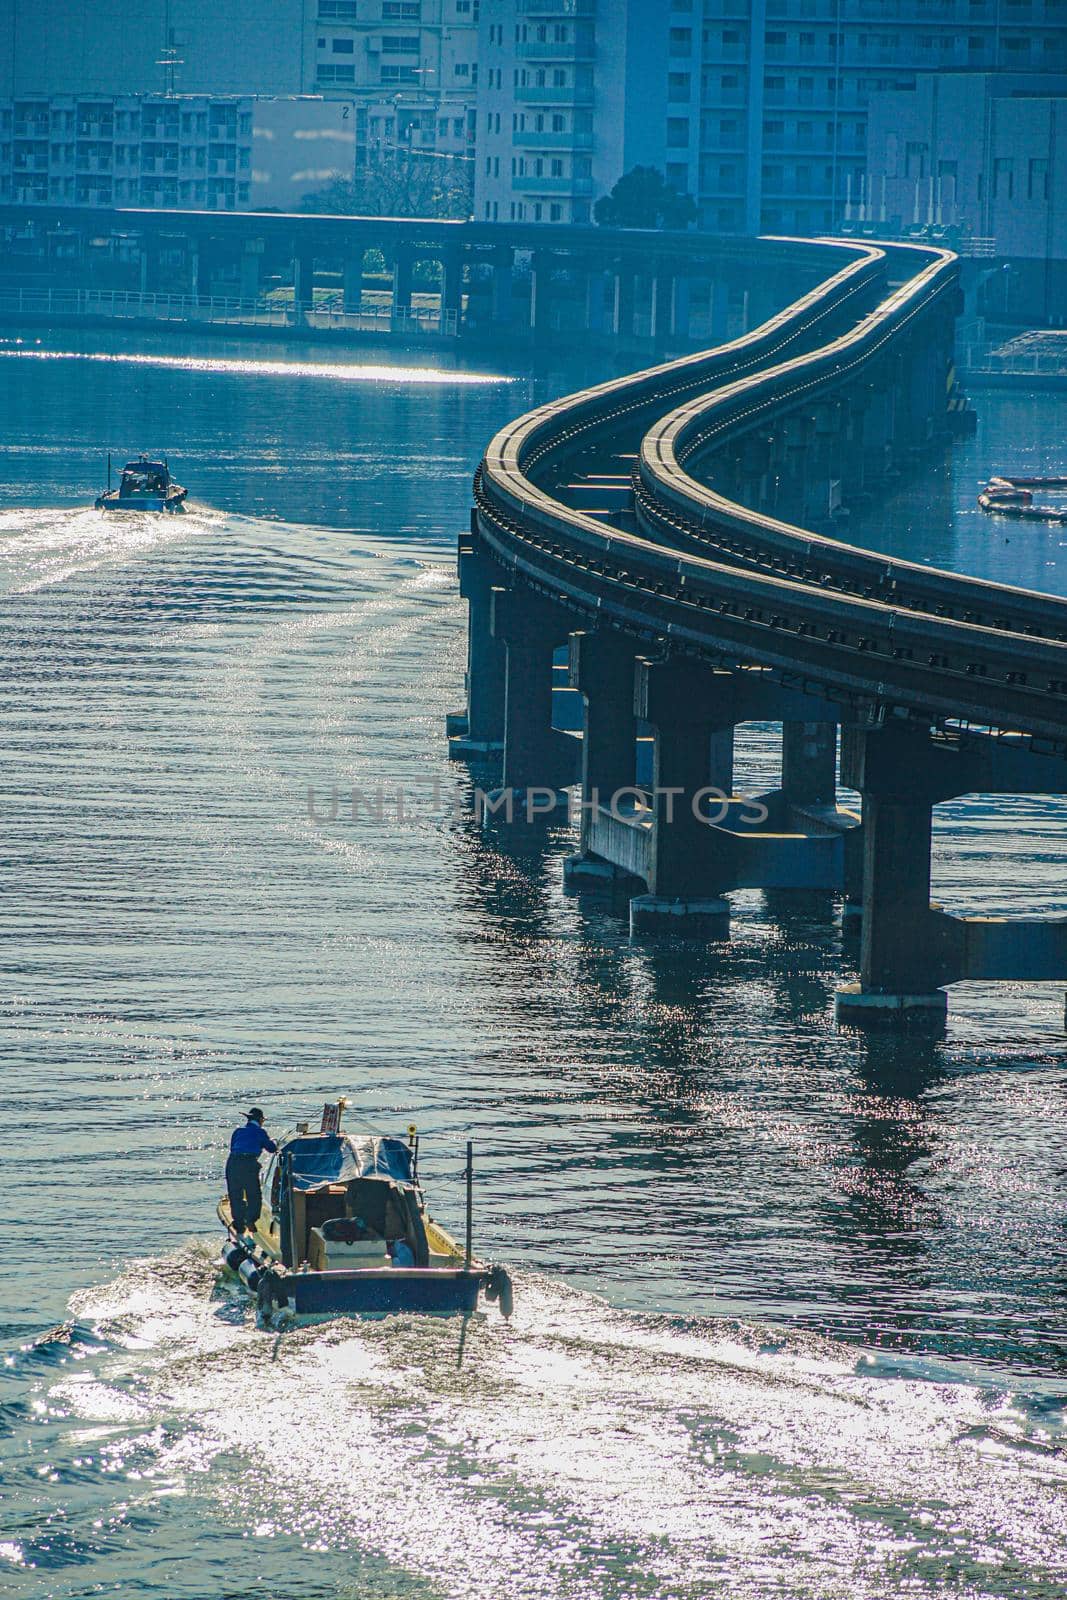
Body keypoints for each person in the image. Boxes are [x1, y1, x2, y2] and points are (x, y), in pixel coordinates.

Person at [225, 1107, 277, 1237]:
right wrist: (273, 1142)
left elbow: (233, 1147)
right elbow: (271, 1149)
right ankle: (250, 1219)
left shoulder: (238, 1131)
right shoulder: (260, 1132)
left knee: (235, 1195)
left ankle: (239, 1226)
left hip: (233, 1163)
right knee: (253, 1195)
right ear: (260, 1120)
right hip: (249, 1163)